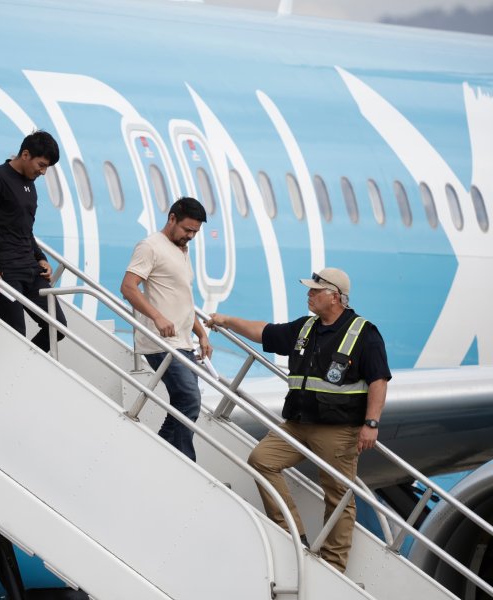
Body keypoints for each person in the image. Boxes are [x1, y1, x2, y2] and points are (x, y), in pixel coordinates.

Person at [205, 267, 391, 572]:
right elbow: (264, 331)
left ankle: (333, 565)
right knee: (261, 459)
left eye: (315, 291)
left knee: (339, 495)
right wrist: (228, 321)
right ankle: (295, 534)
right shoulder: (306, 328)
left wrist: (371, 424)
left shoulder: (364, 333)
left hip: (338, 430)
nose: (309, 295)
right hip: (298, 424)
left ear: (335, 297)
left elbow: (378, 380)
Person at [120, 197, 212, 462]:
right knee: (189, 400)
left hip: (183, 343)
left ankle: (159, 455)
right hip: (161, 342)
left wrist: (201, 333)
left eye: (195, 232)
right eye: (187, 230)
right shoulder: (150, 247)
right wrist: (157, 317)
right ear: (172, 218)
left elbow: (183, 299)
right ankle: (184, 464)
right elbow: (128, 287)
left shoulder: (182, 249)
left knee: (186, 405)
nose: (191, 236)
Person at [0, 130, 67, 353]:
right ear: (25, 154)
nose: (43, 172)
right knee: (15, 334)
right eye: (42, 165)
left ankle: (24, 365)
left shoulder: (31, 184)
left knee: (58, 327)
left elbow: (25, 230)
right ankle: (18, 370)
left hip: (30, 268)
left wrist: (41, 258)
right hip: (6, 273)